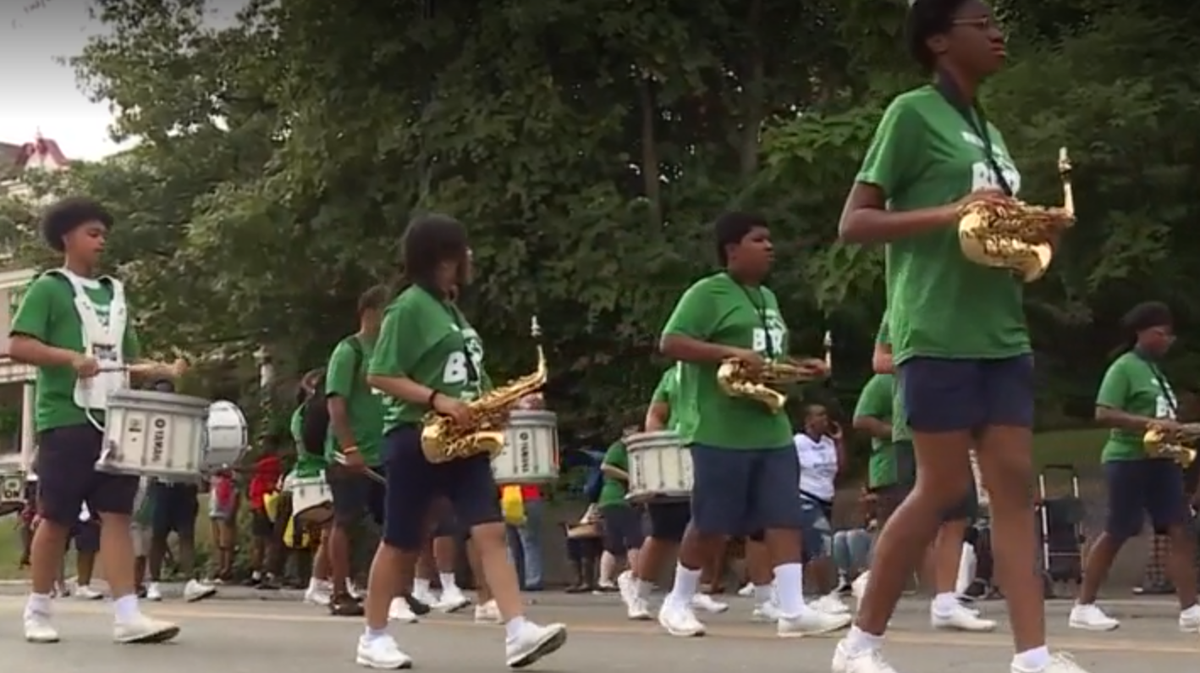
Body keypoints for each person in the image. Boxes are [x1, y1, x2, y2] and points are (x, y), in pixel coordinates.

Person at [833, 0, 1078, 670]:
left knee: (1013, 488)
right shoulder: (910, 113)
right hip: (935, 329)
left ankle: (1033, 654)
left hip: (1001, 331)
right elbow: (854, 224)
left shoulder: (989, 130)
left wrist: (1029, 228)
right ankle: (860, 643)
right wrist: (952, 211)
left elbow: (987, 225)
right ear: (940, 40)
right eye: (983, 22)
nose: (999, 31)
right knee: (940, 489)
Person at [355, 214, 567, 669]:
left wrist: (495, 405)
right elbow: (380, 373)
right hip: (416, 436)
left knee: (488, 527)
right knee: (401, 541)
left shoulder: (450, 309)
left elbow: (468, 374)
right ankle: (373, 636)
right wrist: (437, 399)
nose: (471, 258)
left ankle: (517, 630)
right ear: (444, 259)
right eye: (464, 251)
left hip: (462, 438)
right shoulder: (407, 307)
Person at [656, 210, 848, 638]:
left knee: (784, 516)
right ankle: (679, 600)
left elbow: (767, 361)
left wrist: (800, 367)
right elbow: (671, 341)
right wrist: (728, 352)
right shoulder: (708, 292)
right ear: (732, 250)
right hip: (720, 427)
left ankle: (793, 610)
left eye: (769, 239)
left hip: (770, 425)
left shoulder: (768, 299)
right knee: (712, 521)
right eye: (758, 239)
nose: (769, 246)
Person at [9, 196, 184, 643]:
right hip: (66, 417)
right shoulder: (49, 288)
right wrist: (69, 357)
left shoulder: (116, 294)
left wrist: (161, 369)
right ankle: (38, 609)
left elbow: (129, 360)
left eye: (104, 234)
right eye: (93, 233)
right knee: (56, 516)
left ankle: (127, 614)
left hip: (116, 419)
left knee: (117, 514)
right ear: (67, 238)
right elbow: (19, 345)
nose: (101, 241)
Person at [1071, 301, 1199, 631]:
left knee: (1178, 530)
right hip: (1128, 459)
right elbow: (1104, 412)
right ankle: (1083, 606)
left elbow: (1164, 419)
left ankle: (1190, 609)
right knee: (1119, 529)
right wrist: (1148, 423)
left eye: (1170, 335)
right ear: (1142, 333)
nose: (1168, 340)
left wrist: (1184, 429)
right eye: (1161, 333)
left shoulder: (1155, 371)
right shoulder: (1125, 367)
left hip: (1161, 460)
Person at [618, 366, 729, 620]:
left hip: (709, 451)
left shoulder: (719, 374)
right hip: (675, 457)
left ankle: (689, 590)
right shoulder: (673, 375)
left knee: (705, 525)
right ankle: (638, 588)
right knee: (664, 532)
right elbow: (655, 415)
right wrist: (664, 451)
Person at [324, 285, 390, 617]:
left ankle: (394, 591)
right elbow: (336, 402)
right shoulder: (349, 350)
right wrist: (349, 447)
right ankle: (339, 591)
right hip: (350, 452)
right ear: (370, 312)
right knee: (346, 520)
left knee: (393, 521)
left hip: (384, 450)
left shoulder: (389, 352)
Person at [793, 403, 850, 615]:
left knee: (804, 551)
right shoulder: (798, 443)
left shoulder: (828, 443)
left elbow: (841, 469)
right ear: (808, 420)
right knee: (822, 544)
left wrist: (839, 441)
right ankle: (826, 595)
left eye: (826, 415)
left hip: (826, 499)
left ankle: (785, 592)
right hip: (806, 498)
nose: (824, 419)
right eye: (818, 415)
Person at [597, 425, 644, 591]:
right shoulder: (620, 447)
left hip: (613, 500)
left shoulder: (634, 449)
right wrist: (630, 477)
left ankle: (604, 580)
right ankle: (637, 578)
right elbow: (605, 466)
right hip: (619, 499)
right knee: (634, 539)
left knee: (613, 542)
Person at [68, 504, 103, 600]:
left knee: (89, 550)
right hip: (76, 514)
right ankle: (81, 585)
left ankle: (84, 585)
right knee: (84, 550)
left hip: (91, 516)